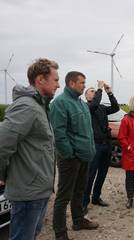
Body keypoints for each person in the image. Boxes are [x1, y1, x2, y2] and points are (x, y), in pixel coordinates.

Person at [0, 58, 59, 240]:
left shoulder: (40, 106)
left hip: (37, 190)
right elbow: (2, 143)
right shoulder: (27, 106)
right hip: (28, 192)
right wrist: (1, 175)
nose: (58, 85)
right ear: (40, 79)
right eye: (55, 80)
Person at [50, 71, 98, 240]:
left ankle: (78, 221)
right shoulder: (60, 103)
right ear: (71, 83)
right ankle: (60, 233)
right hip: (70, 159)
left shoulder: (81, 103)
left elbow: (87, 132)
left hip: (84, 156)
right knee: (63, 196)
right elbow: (59, 134)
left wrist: (88, 151)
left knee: (79, 190)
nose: (84, 85)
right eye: (81, 82)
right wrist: (70, 154)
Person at [83, 81, 119, 212]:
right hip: (95, 145)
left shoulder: (102, 108)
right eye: (91, 91)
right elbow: (93, 105)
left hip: (106, 144)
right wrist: (99, 89)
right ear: (86, 97)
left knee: (102, 173)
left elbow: (115, 108)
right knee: (90, 174)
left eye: (94, 91)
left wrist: (109, 93)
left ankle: (96, 197)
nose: (94, 92)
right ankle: (84, 201)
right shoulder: (86, 107)